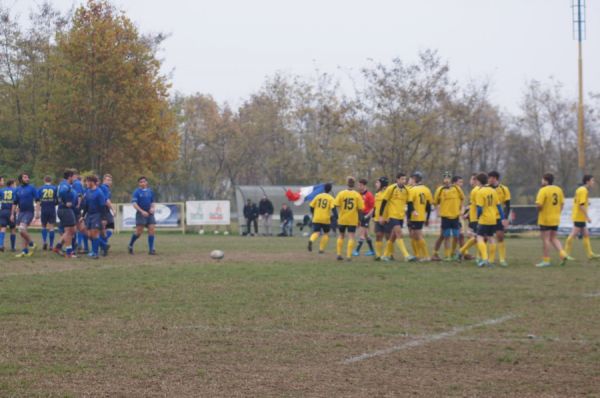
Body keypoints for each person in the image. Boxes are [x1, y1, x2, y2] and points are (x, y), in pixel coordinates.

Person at [534, 173, 573, 268]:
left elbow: (539, 205)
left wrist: (539, 211)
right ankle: (563, 254)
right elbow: (562, 204)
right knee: (553, 238)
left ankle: (546, 260)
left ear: (545, 180)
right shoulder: (558, 189)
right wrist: (557, 212)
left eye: (542, 180)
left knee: (546, 239)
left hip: (545, 218)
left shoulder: (543, 190)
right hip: (555, 218)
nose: (541, 181)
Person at [379, 172, 415, 262]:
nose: (404, 181)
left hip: (401, 216)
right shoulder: (391, 188)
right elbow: (383, 202)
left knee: (393, 237)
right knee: (399, 234)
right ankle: (406, 255)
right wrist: (381, 216)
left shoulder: (407, 190)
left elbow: (410, 203)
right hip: (392, 215)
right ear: (397, 179)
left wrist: (413, 212)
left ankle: (385, 255)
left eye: (405, 179)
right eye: (402, 179)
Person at [565, 175, 600, 260]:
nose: (593, 182)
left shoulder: (581, 189)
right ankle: (564, 254)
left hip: (579, 216)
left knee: (586, 234)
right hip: (579, 216)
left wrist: (588, 203)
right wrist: (587, 217)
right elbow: (581, 205)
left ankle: (590, 254)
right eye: (592, 181)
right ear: (587, 181)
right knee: (573, 234)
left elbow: (579, 202)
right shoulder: (583, 190)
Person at [432, 172, 465, 261]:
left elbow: (462, 199)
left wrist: (461, 210)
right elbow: (435, 202)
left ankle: (453, 253)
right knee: (446, 236)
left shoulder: (457, 188)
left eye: (448, 178)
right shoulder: (440, 189)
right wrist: (437, 212)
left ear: (451, 179)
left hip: (455, 216)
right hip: (445, 216)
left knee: (456, 236)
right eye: (445, 178)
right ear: (443, 179)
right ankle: (447, 255)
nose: (446, 180)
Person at [474, 173, 505, 268]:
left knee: (479, 237)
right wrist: (502, 217)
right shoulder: (493, 190)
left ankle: (484, 259)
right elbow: (499, 206)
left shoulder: (480, 192)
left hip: (484, 219)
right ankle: (490, 260)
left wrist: (478, 216)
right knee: (491, 238)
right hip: (493, 218)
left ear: (479, 181)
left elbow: (479, 208)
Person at [333, 177, 364, 261]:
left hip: (342, 218)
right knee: (351, 237)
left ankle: (339, 254)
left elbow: (334, 205)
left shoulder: (341, 193)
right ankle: (349, 256)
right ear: (354, 184)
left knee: (341, 235)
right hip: (352, 219)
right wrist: (360, 220)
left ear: (347, 183)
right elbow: (360, 209)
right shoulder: (357, 195)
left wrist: (336, 216)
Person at [407, 172, 433, 261]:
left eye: (410, 179)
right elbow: (429, 206)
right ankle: (417, 255)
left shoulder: (413, 190)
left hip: (415, 216)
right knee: (413, 235)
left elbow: (410, 203)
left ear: (414, 179)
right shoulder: (426, 189)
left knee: (418, 235)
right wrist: (427, 218)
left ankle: (426, 256)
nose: (408, 180)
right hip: (421, 216)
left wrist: (412, 212)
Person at [80, 175, 107, 259]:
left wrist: (103, 218)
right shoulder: (87, 192)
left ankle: (95, 253)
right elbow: (86, 206)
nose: (86, 183)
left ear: (92, 182)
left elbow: (103, 206)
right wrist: (83, 216)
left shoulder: (99, 192)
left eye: (87, 181)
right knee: (89, 234)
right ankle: (104, 245)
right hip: (89, 215)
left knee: (94, 233)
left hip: (97, 214)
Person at [128, 176, 157, 255]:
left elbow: (152, 202)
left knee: (152, 229)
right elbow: (134, 204)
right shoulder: (136, 192)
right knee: (138, 232)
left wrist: (152, 208)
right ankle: (130, 245)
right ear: (139, 184)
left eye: (144, 181)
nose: (143, 183)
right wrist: (142, 211)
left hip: (150, 213)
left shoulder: (150, 191)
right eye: (141, 182)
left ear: (146, 182)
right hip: (141, 214)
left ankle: (151, 250)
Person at [53, 170, 78, 258]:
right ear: (69, 177)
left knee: (73, 230)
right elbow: (62, 192)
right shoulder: (65, 185)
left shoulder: (62, 184)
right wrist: (65, 202)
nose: (75, 178)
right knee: (69, 232)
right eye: (74, 177)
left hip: (65, 210)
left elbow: (56, 195)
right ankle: (69, 252)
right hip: (65, 210)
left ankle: (57, 247)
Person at [12, 173, 38, 258]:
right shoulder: (17, 189)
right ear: (21, 179)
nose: (27, 179)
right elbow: (15, 203)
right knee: (22, 233)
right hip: (21, 212)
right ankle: (24, 251)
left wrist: (37, 212)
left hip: (29, 212)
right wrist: (12, 214)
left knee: (21, 229)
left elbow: (37, 200)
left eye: (28, 177)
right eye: (25, 177)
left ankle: (32, 244)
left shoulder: (32, 187)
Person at [488, 171, 511, 266]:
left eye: (490, 178)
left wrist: (505, 218)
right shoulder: (486, 188)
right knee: (487, 238)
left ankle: (502, 259)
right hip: (488, 217)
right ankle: (489, 259)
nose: (488, 179)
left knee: (500, 237)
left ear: (495, 178)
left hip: (499, 217)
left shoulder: (504, 189)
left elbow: (508, 205)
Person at [459, 174, 481, 260]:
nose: (470, 181)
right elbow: (472, 205)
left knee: (475, 236)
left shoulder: (476, 190)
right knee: (472, 235)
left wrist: (466, 214)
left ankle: (462, 252)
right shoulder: (476, 190)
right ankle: (465, 252)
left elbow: (475, 205)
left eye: (471, 179)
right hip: (473, 217)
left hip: (475, 217)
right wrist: (467, 213)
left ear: (475, 180)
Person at [307, 183, 335, 253]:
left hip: (316, 218)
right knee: (326, 233)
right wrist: (336, 217)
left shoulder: (318, 196)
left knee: (316, 232)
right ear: (330, 190)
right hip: (325, 219)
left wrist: (313, 213)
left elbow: (311, 206)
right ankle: (321, 249)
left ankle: (311, 240)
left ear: (323, 188)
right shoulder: (330, 198)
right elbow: (333, 208)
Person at [353, 178, 375, 256]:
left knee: (361, 233)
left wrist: (367, 216)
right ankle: (372, 251)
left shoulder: (369, 195)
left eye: (360, 185)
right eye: (358, 185)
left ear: (364, 185)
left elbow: (373, 208)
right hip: (360, 215)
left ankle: (357, 251)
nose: (359, 186)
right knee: (366, 234)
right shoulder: (358, 194)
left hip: (366, 215)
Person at [37, 175, 58, 250]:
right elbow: (57, 200)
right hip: (51, 209)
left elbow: (38, 201)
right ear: (51, 181)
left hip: (44, 209)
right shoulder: (55, 188)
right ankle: (51, 245)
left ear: (44, 180)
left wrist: (37, 211)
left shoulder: (40, 188)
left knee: (43, 226)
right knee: (51, 227)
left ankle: (44, 241)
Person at [72, 170, 89, 254]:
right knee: (80, 228)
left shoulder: (78, 184)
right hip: (82, 209)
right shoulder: (84, 188)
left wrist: (78, 206)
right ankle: (80, 246)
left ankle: (80, 246)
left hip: (81, 209)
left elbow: (80, 197)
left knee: (80, 228)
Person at [0, 178, 18, 252]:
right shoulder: (15, 191)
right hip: (11, 211)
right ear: (12, 184)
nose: (16, 185)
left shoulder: (1, 190)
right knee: (13, 228)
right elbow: (17, 201)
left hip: (3, 211)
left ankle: (1, 245)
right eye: (15, 184)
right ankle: (13, 247)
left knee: (3, 227)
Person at [99, 174, 115, 252]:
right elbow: (106, 200)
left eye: (110, 180)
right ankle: (103, 244)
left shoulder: (106, 188)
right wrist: (113, 209)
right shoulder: (104, 188)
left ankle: (103, 246)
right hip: (104, 210)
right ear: (103, 181)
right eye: (107, 180)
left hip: (105, 210)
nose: (109, 182)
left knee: (106, 229)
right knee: (108, 229)